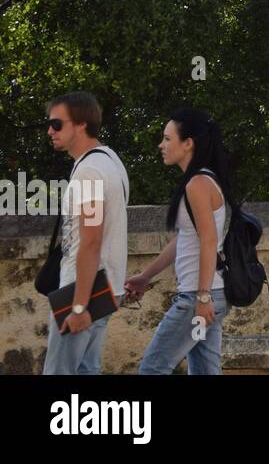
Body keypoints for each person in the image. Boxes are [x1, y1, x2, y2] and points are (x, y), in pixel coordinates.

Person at [126, 107, 235, 375]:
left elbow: (209, 241)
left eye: (167, 138)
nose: (161, 145)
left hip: (200, 296)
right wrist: (145, 276)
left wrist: (202, 296)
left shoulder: (198, 183)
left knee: (152, 368)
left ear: (188, 144)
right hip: (213, 294)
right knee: (205, 372)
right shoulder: (203, 180)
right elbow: (186, 239)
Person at [41, 91, 130, 375]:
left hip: (81, 292)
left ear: (81, 124)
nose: (50, 131)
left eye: (57, 124)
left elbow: (91, 242)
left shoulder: (89, 172)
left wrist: (78, 308)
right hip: (103, 289)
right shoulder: (110, 160)